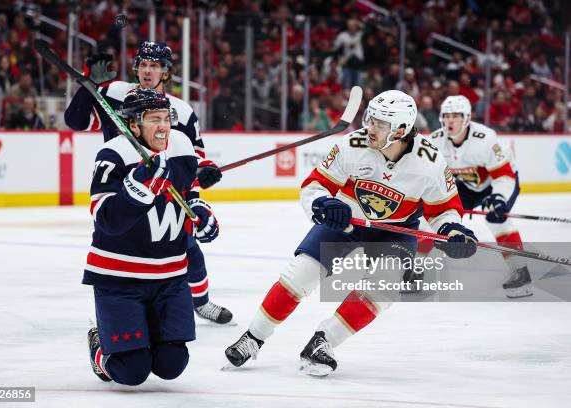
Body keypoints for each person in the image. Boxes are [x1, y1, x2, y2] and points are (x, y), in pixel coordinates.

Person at [224, 90, 477, 376]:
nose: (370, 127)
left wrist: (453, 232)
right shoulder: (352, 145)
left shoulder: (429, 162)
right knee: (300, 273)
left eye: (381, 124)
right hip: (346, 221)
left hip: (396, 230)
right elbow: (313, 186)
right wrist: (324, 203)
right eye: (371, 119)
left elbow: (444, 210)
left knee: (384, 288)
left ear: (402, 130)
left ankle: (323, 342)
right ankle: (254, 337)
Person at [64, 41, 232, 324]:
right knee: (122, 247)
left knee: (187, 245)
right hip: (124, 185)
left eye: (154, 65)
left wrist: (206, 172)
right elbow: (76, 121)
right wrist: (88, 85)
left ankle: (200, 301)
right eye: (142, 64)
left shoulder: (182, 111)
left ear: (166, 72)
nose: (147, 70)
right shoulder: (114, 93)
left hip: (167, 189)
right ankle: (114, 316)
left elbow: (195, 158)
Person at [86, 88, 220, 385]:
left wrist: (203, 215)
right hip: (119, 277)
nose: (163, 127)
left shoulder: (182, 145)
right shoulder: (114, 154)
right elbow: (105, 219)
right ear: (134, 125)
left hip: (169, 277)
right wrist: (138, 188)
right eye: (154, 120)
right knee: (130, 371)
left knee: (173, 364)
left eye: (166, 119)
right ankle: (99, 344)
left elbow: (191, 195)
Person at [422, 95, 532, 298]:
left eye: (456, 115)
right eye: (446, 116)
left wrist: (498, 198)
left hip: (498, 183)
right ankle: (416, 270)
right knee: (434, 219)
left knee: (497, 221)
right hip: (466, 185)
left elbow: (504, 175)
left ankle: (521, 272)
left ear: (467, 118)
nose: (450, 121)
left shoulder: (485, 139)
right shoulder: (435, 141)